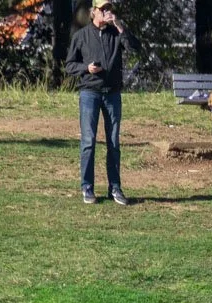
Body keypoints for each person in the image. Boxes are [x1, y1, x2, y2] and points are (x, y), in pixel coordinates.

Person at [65, 0, 140, 205]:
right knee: (88, 142)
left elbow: (135, 47)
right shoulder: (81, 36)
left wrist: (120, 27)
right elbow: (69, 65)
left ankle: (115, 187)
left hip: (112, 94)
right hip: (89, 93)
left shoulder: (116, 33)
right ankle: (87, 187)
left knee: (113, 142)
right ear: (94, 12)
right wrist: (86, 68)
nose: (107, 12)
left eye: (109, 9)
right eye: (103, 9)